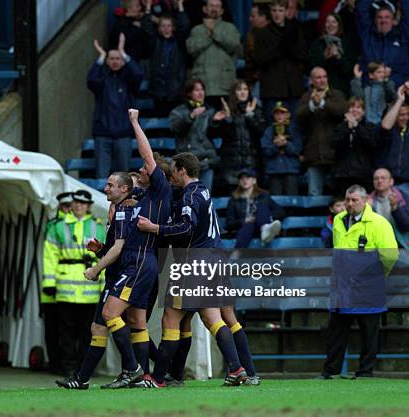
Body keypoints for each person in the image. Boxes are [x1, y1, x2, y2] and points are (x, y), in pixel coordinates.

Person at [136, 152, 257, 387]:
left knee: (171, 317)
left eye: (174, 172)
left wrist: (156, 228)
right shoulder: (203, 190)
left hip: (195, 261)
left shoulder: (190, 196)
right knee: (213, 317)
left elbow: (185, 228)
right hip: (215, 258)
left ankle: (158, 378)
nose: (172, 176)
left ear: (182, 170)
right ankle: (239, 369)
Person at [87, 108, 173, 389]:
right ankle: (146, 375)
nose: (139, 171)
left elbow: (147, 156)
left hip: (142, 263)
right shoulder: (137, 197)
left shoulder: (159, 191)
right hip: (133, 264)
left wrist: (135, 122)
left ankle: (137, 370)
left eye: (143, 170)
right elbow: (117, 195)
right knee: (138, 321)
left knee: (113, 315)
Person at [56, 173, 134, 389]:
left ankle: (135, 368)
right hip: (108, 278)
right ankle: (82, 379)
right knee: (97, 328)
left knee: (129, 322)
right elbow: (114, 249)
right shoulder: (115, 213)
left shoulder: (124, 212)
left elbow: (120, 249)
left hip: (125, 275)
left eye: (110, 185)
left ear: (124, 189)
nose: (105, 188)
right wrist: (100, 250)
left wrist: (95, 270)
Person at [320, 184, 398, 379]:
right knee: (336, 332)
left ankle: (365, 371)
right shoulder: (338, 220)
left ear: (365, 201)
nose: (349, 203)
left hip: (367, 286)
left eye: (354, 200)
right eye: (347, 199)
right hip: (343, 286)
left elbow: (390, 255)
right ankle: (331, 372)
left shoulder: (379, 223)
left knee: (369, 332)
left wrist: (377, 276)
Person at [43, 190, 106, 376]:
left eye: (82, 203)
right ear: (72, 205)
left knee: (88, 331)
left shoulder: (97, 227)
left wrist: (104, 285)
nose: (78, 206)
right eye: (76, 202)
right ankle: (69, 367)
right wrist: (49, 282)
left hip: (90, 290)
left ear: (88, 206)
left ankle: (84, 367)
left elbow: (106, 258)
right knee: (66, 331)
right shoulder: (58, 226)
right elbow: (49, 256)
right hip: (66, 288)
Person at [88, 34, 144, 179]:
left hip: (124, 133)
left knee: (123, 177)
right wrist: (100, 56)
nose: (115, 61)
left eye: (118, 58)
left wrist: (123, 52)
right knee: (101, 176)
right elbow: (91, 80)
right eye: (111, 58)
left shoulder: (129, 80)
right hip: (102, 133)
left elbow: (138, 74)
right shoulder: (102, 79)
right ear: (107, 61)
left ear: (123, 61)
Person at [296, 67, 348, 196]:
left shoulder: (336, 94)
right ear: (311, 80)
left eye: (324, 77)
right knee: (314, 194)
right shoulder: (306, 97)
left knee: (337, 196)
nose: (322, 80)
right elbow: (299, 115)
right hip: (313, 154)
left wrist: (323, 103)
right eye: (318, 77)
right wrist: (313, 104)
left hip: (335, 154)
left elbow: (342, 111)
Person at [253, 0, 308, 122]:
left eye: (280, 10)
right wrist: (279, 48)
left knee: (294, 127)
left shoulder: (296, 30)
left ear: (286, 12)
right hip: (272, 90)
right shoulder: (262, 33)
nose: (277, 14)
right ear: (270, 12)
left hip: (293, 89)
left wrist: (291, 49)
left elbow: (303, 55)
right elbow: (258, 58)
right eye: (274, 10)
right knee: (273, 127)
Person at [169, 79, 224, 191]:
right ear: (189, 93)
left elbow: (213, 136)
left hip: (206, 160)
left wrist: (216, 122)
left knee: (205, 198)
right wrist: (191, 117)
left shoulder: (210, 111)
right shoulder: (178, 112)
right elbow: (176, 129)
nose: (200, 93)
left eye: (202, 89)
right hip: (187, 163)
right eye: (196, 90)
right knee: (189, 198)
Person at [216, 80, 267, 191]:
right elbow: (225, 137)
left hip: (252, 164)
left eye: (245, 89)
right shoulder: (227, 111)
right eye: (239, 90)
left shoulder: (256, 110)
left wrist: (250, 116)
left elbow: (260, 133)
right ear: (234, 93)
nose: (243, 92)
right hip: (231, 166)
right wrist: (228, 118)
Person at [142, 0, 191, 117]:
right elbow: (146, 27)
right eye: (163, 26)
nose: (166, 28)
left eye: (169, 26)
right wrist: (148, 7)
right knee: (160, 122)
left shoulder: (179, 42)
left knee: (176, 120)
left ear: (173, 27)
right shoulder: (154, 41)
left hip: (176, 90)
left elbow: (185, 26)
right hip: (158, 90)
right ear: (158, 28)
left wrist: (180, 5)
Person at [42, 192, 73, 375]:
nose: (69, 209)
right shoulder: (54, 226)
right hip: (54, 285)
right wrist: (49, 283)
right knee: (53, 328)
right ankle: (55, 362)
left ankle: (67, 363)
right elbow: (49, 257)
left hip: (72, 288)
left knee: (68, 328)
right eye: (66, 206)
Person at [186, 0, 241, 101]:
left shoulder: (230, 28)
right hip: (203, 85)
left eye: (217, 6)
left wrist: (213, 32)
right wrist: (208, 36)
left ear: (222, 11)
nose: (214, 9)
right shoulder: (196, 30)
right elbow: (191, 50)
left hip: (225, 85)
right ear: (205, 9)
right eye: (211, 6)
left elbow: (234, 46)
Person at [226, 168, 285, 248]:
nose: (244, 180)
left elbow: (280, 211)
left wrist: (264, 217)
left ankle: (236, 255)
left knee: (262, 205)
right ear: (239, 182)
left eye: (248, 178)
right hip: (244, 230)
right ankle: (265, 229)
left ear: (254, 181)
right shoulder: (234, 199)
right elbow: (229, 223)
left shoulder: (263, 196)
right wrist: (244, 220)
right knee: (249, 225)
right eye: (242, 178)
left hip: (260, 228)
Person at [356, 0, 409, 87]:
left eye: (387, 17)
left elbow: (407, 13)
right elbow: (361, 9)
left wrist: (391, 70)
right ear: (375, 20)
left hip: (397, 90)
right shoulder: (367, 35)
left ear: (393, 20)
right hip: (369, 89)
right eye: (379, 17)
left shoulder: (402, 35)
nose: (383, 20)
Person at [333, 97, 377, 193]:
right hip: (344, 174)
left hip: (363, 174)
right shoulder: (340, 127)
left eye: (358, 107)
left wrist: (356, 126)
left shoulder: (370, 127)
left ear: (363, 111)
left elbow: (371, 143)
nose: (355, 110)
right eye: (352, 107)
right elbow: (336, 145)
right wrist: (348, 128)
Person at [309, 12, 357, 97]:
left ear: (339, 25)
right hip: (321, 90)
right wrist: (324, 57)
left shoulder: (347, 43)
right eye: (328, 22)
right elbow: (312, 67)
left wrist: (338, 57)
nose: (331, 25)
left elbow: (348, 69)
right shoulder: (317, 44)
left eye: (334, 22)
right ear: (324, 25)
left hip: (341, 89)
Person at [261, 102, 303, 195]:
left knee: (292, 201)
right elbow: (265, 150)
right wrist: (276, 146)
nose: (279, 116)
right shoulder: (269, 130)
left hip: (291, 170)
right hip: (274, 171)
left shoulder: (294, 129)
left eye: (282, 113)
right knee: (276, 201)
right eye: (277, 113)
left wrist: (286, 144)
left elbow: (298, 149)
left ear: (288, 114)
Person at [378, 83, 409, 192]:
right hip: (388, 184)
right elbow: (386, 126)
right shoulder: (389, 131)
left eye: (407, 114)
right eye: (401, 115)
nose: (405, 118)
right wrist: (400, 99)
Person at [368, 168, 409, 248]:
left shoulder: (403, 197)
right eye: (376, 178)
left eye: (383, 178)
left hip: (401, 244)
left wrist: (395, 207)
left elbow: (406, 226)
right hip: (378, 245)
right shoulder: (369, 201)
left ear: (391, 181)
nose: (379, 181)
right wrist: (366, 211)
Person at [244, 3, 270, 95]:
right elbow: (248, 59)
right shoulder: (250, 34)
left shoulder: (274, 33)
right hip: (254, 79)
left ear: (263, 17)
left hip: (272, 80)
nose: (250, 19)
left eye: (253, 16)